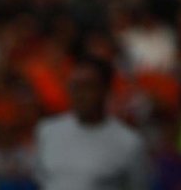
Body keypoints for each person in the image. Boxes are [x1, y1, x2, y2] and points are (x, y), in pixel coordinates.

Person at [33, 54, 151, 190]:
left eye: (87, 87)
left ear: (105, 89)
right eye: (75, 86)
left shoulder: (128, 143)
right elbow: (41, 179)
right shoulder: (48, 131)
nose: (79, 94)